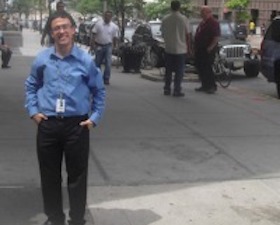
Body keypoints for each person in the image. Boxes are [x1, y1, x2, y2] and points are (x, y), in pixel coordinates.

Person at [24, 11, 106, 225]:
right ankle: (55, 218)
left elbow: (99, 90)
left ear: (73, 29)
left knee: (77, 177)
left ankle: (77, 219)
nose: (61, 31)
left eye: (65, 26)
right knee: (49, 176)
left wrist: (94, 117)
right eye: (56, 28)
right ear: (51, 33)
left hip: (76, 126)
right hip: (48, 125)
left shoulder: (85, 60)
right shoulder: (42, 59)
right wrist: (33, 111)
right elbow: (32, 84)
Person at [161, 0, 191, 97]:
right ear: (179, 7)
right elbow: (188, 34)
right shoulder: (184, 19)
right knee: (179, 71)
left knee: (168, 70)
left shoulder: (165, 19)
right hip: (181, 49)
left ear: (171, 7)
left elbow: (162, 33)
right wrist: (189, 47)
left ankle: (167, 88)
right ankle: (177, 90)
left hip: (169, 48)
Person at [194, 5, 220, 94]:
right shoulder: (203, 22)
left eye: (203, 12)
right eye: (201, 12)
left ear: (208, 12)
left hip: (208, 49)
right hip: (200, 48)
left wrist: (211, 47)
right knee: (200, 66)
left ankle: (212, 86)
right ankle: (204, 85)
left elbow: (216, 37)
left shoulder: (213, 23)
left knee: (207, 67)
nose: (201, 14)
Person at [91, 10, 119, 85]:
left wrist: (115, 46)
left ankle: (106, 78)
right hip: (99, 45)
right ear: (104, 16)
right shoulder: (98, 24)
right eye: (106, 16)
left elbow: (115, 37)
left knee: (108, 63)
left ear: (111, 17)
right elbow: (93, 35)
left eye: (109, 16)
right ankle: (97, 78)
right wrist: (92, 45)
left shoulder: (114, 26)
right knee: (98, 63)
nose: (108, 17)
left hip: (108, 46)